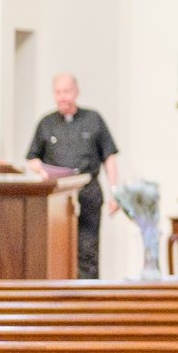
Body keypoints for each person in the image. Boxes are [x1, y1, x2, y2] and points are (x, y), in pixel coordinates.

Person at [25, 73, 121, 278]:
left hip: (88, 191)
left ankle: (89, 300)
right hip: (57, 195)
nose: (62, 97)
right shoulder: (46, 123)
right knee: (57, 248)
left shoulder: (93, 119)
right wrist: (42, 171)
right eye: (58, 92)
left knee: (88, 249)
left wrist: (115, 192)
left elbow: (109, 158)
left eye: (66, 91)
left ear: (76, 92)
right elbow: (32, 158)